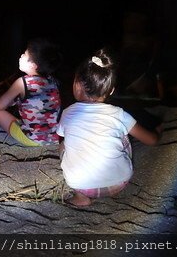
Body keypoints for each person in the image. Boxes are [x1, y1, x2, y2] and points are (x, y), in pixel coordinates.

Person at [57, 48, 161, 207]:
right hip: (118, 183)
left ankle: (80, 198)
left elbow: (64, 140)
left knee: (65, 144)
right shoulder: (119, 114)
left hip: (79, 184)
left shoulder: (67, 113)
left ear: (77, 85)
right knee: (122, 134)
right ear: (111, 90)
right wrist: (159, 131)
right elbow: (151, 141)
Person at [0, 37, 63, 146]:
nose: (21, 56)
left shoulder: (23, 82)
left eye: (25, 54)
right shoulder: (52, 81)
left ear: (33, 65)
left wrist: (11, 99)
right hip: (54, 138)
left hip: (33, 140)